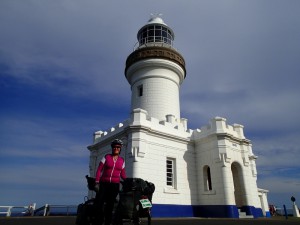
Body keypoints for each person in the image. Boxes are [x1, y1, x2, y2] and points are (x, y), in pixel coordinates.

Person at [94, 139, 126, 225]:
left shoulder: (122, 160)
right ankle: (98, 221)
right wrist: (97, 182)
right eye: (114, 147)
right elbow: (99, 170)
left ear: (120, 149)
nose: (116, 148)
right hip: (104, 184)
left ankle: (107, 222)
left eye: (118, 147)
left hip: (114, 186)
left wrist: (128, 181)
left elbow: (122, 174)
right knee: (99, 204)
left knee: (110, 205)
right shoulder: (106, 157)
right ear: (112, 148)